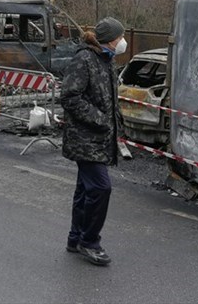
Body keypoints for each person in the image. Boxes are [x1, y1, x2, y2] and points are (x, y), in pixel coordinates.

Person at [60, 17, 127, 267]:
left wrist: (117, 126)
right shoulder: (84, 59)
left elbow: (108, 100)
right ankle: (90, 242)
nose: (123, 42)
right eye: (120, 37)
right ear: (110, 40)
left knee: (85, 190)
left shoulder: (106, 61)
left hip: (100, 138)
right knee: (100, 188)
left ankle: (75, 238)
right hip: (85, 139)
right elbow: (69, 97)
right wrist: (101, 120)